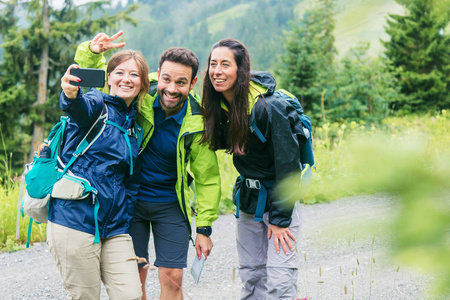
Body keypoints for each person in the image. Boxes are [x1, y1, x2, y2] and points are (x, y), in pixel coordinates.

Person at [74, 31, 221, 300]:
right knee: (135, 274)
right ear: (157, 75)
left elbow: (207, 177)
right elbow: (106, 81)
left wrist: (204, 228)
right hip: (131, 200)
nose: (172, 89)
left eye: (181, 82)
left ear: (193, 83)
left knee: (173, 277)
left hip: (170, 204)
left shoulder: (198, 121)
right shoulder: (142, 94)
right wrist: (92, 53)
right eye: (166, 79)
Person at [201, 38, 307, 299]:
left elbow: (288, 164)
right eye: (213, 64)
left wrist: (281, 221)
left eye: (225, 64)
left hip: (281, 201)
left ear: (240, 69)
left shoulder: (270, 108)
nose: (217, 71)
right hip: (249, 200)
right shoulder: (219, 107)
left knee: (280, 284)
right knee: (251, 277)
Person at [47, 49, 150, 299]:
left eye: (134, 74)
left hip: (115, 229)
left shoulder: (134, 126)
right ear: (109, 78)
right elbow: (78, 107)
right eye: (120, 72)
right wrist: (70, 94)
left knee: (131, 295)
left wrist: (125, 224)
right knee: (86, 296)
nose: (126, 79)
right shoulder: (97, 105)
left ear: (143, 83)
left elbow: (129, 184)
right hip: (75, 221)